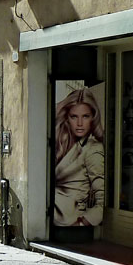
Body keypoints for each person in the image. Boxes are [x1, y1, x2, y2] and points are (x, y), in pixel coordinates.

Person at [54, 88, 105, 227]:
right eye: (74, 116)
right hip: (55, 220)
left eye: (86, 116)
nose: (80, 123)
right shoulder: (63, 142)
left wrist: (82, 223)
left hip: (71, 221)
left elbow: (103, 198)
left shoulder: (93, 149)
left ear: (93, 117)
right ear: (67, 117)